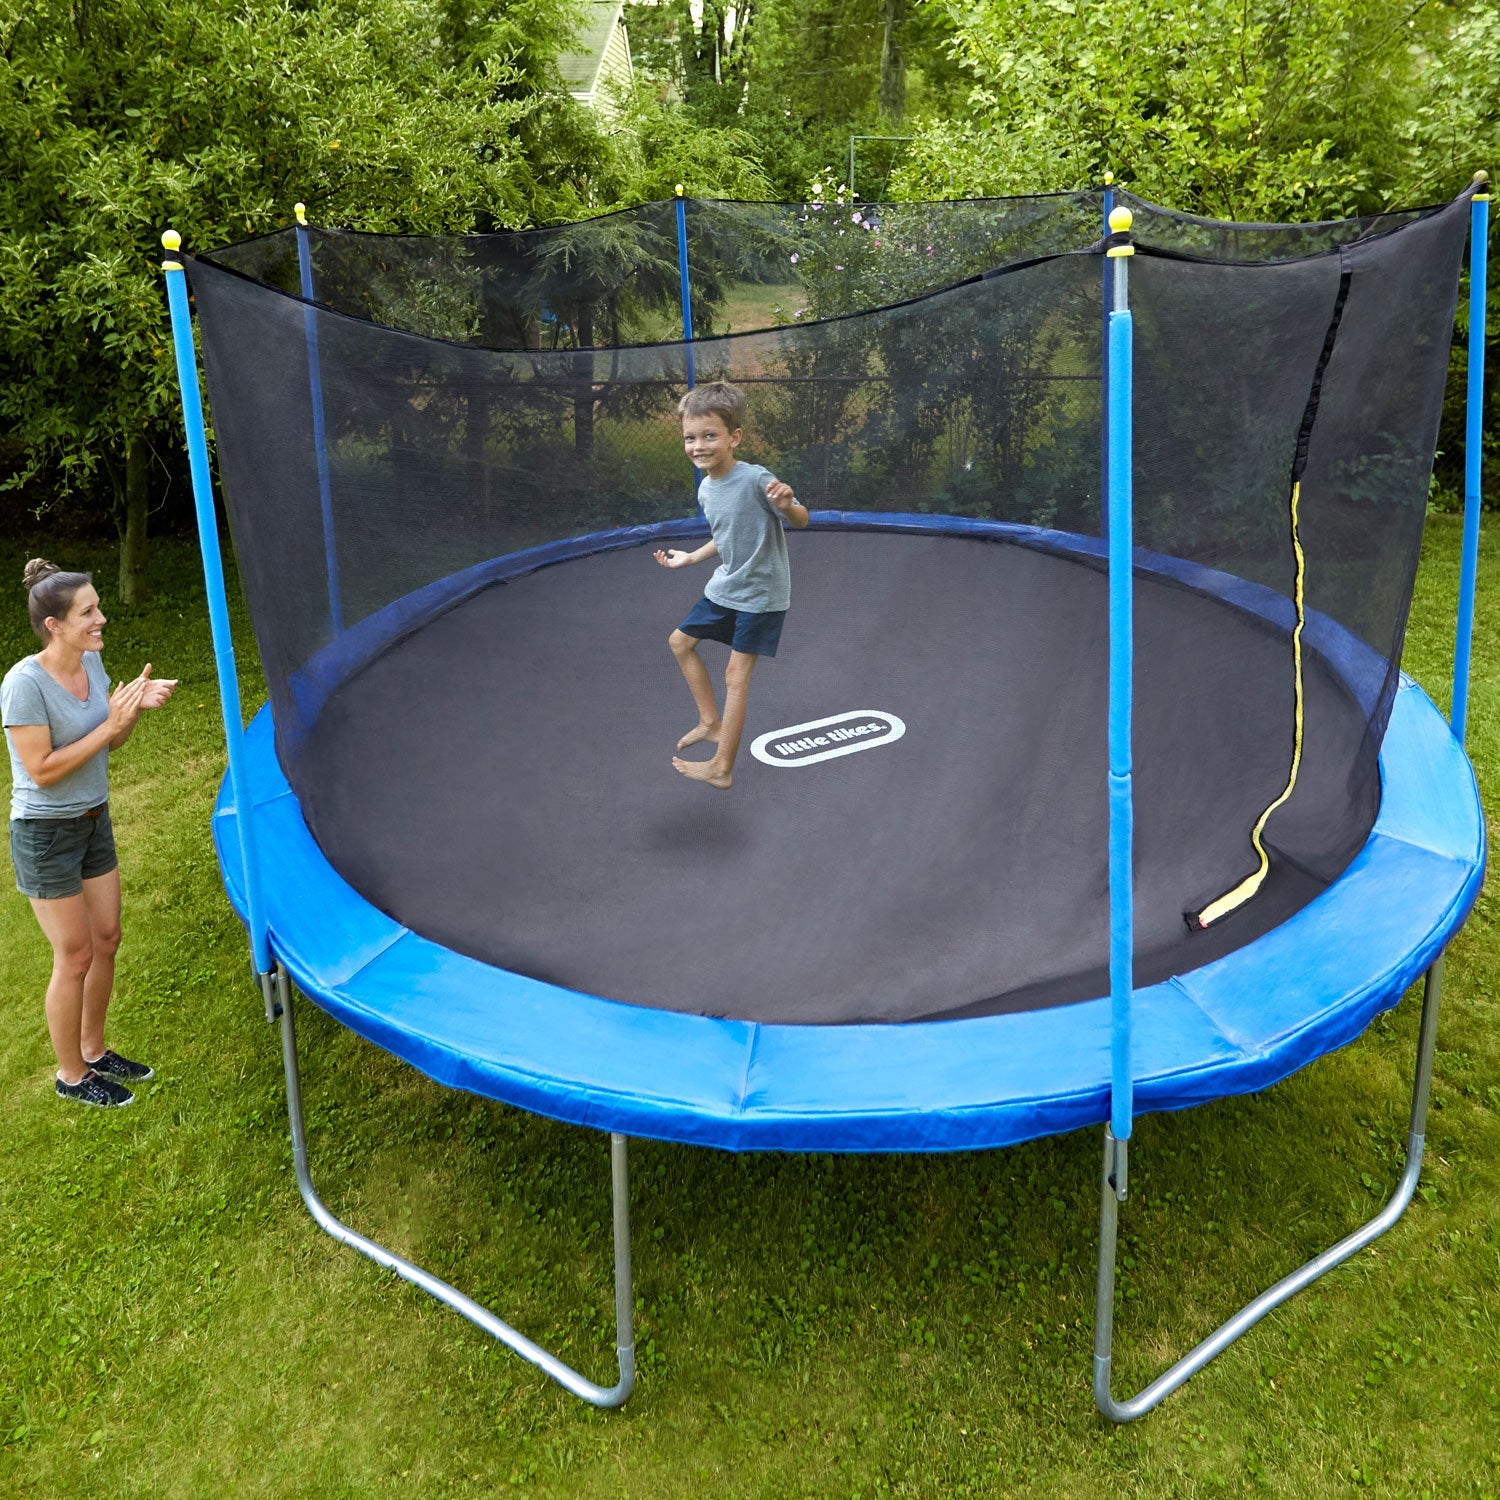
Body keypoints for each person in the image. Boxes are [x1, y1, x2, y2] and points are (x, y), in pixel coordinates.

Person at [3, 560, 177, 1108]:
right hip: (45, 834)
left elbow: (109, 743)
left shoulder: (91, 662)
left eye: (97, 607)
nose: (101, 619)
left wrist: (130, 713)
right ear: (54, 625)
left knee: (107, 939)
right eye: (88, 612)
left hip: (92, 819)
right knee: (75, 956)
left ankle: (94, 1051)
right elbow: (43, 770)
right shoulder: (24, 685)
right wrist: (109, 724)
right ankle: (71, 1076)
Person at [654, 381, 809, 789]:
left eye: (710, 436)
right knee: (679, 642)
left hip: (761, 594)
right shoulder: (707, 488)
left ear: (734, 437)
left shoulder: (756, 479)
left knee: (735, 676)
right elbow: (726, 536)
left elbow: (802, 519)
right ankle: (710, 722)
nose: (698, 446)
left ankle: (722, 768)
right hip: (727, 586)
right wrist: (691, 557)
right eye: (690, 438)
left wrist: (788, 505)